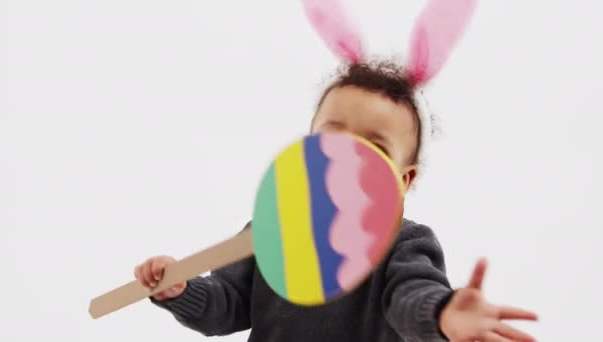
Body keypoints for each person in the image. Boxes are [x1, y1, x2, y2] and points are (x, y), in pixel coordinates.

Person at [134, 61, 538, 342]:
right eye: (332, 138)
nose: (347, 158)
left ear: (404, 179)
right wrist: (180, 290)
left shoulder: (405, 244)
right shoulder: (270, 229)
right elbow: (228, 307)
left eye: (374, 147)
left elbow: (409, 299)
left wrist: (442, 314)